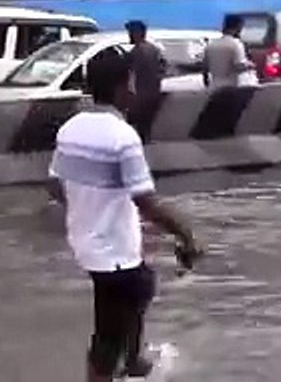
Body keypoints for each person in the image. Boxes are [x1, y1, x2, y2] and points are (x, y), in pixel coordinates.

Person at [48, 48, 203, 382]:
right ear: (121, 87)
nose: (134, 90)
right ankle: (118, 367)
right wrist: (186, 234)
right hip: (113, 253)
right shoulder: (122, 136)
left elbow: (55, 186)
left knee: (136, 292)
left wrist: (88, 209)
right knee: (111, 328)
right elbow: (145, 200)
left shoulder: (70, 128)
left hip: (87, 245)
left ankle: (133, 362)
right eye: (131, 83)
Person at [125, 21, 166, 143]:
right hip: (154, 90)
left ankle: (142, 139)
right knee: (147, 119)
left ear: (137, 33)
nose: (129, 36)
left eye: (130, 33)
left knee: (139, 120)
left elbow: (130, 73)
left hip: (140, 92)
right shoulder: (154, 49)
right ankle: (146, 138)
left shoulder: (135, 52)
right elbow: (162, 68)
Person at [204, 15, 257, 89]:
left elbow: (205, 67)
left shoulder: (211, 45)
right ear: (238, 27)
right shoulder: (236, 44)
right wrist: (250, 65)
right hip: (230, 88)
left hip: (214, 87)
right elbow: (239, 65)